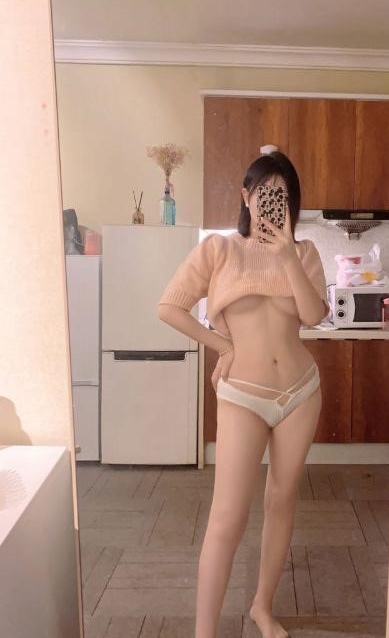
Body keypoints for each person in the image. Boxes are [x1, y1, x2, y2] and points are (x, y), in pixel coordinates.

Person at [157, 147, 330, 638]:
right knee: (227, 516)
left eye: (282, 194)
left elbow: (313, 315)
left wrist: (286, 254)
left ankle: (262, 608)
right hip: (242, 395)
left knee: (282, 499)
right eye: (264, 192)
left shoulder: (305, 253)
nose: (272, 201)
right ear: (246, 196)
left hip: (300, 392)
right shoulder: (219, 250)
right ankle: (204, 633)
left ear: (292, 202)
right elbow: (169, 306)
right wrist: (222, 346)